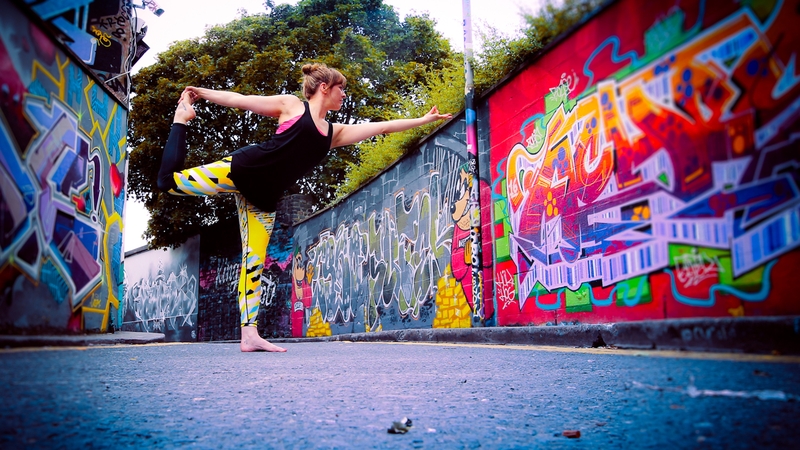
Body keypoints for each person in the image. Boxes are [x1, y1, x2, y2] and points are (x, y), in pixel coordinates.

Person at [157, 63, 452, 352]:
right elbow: (241, 100)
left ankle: (249, 336)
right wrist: (201, 93)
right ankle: (181, 119)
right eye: (341, 88)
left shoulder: (333, 133)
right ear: (324, 87)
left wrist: (422, 120)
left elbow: (383, 128)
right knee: (168, 182)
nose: (344, 94)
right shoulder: (292, 106)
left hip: (264, 199)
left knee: (253, 264)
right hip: (242, 170)